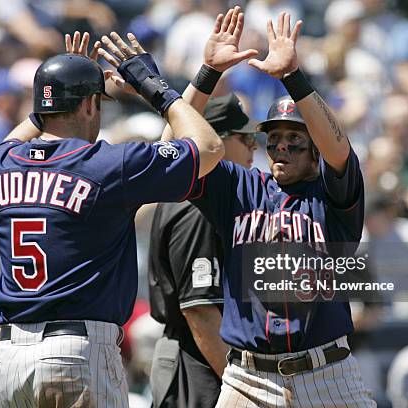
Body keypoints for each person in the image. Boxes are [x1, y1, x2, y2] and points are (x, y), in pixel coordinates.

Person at [0, 27, 224, 407]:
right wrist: (153, 87)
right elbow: (208, 147)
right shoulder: (106, 165)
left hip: (10, 359)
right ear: (91, 106)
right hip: (76, 352)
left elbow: (13, 138)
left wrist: (62, 86)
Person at [153, 10, 373, 407]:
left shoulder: (333, 197)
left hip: (327, 373)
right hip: (248, 378)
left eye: (294, 139)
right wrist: (205, 74)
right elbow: (168, 154)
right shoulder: (240, 188)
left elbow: (339, 149)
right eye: (274, 139)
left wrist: (293, 76)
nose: (281, 147)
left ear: (314, 151)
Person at [146, 8, 258, 407]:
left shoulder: (203, 193)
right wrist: (243, 390)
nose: (253, 147)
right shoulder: (197, 206)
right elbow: (201, 314)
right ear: (217, 138)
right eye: (245, 139)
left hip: (200, 359)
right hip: (198, 365)